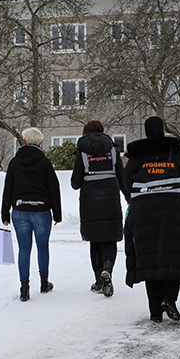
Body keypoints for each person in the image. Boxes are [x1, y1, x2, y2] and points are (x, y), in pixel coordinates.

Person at [121, 116, 180, 322]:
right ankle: (169, 297)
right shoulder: (174, 152)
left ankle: (155, 312)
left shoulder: (137, 155)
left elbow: (126, 180)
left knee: (149, 258)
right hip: (173, 207)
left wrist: (134, 198)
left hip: (143, 210)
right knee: (175, 254)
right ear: (162, 129)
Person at [1, 127, 62, 302]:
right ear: (40, 142)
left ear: (25, 141)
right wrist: (57, 214)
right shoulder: (44, 162)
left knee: (24, 249)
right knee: (43, 247)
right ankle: (44, 283)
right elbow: (54, 189)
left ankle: (24, 288)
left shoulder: (14, 162)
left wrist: (5, 213)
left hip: (19, 210)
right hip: (41, 211)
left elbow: (8, 190)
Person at [70, 120, 124, 297]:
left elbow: (76, 183)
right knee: (109, 237)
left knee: (95, 239)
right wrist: (129, 197)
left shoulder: (82, 152)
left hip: (90, 200)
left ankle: (99, 280)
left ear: (85, 133)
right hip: (111, 198)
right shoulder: (113, 149)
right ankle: (107, 270)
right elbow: (122, 176)